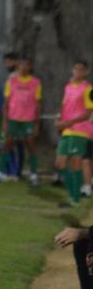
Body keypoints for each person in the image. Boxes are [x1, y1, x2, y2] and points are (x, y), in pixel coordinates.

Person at [54, 60, 93, 207]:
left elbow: (89, 112)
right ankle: (73, 195)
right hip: (67, 130)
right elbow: (64, 107)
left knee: (76, 164)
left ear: (86, 72)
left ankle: (74, 199)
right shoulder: (68, 87)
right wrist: (59, 119)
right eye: (75, 69)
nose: (77, 72)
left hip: (81, 130)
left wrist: (68, 123)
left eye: (81, 70)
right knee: (60, 163)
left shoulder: (89, 89)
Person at [2, 57, 43, 185]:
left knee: (30, 146)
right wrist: (5, 121)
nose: (23, 68)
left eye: (26, 65)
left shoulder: (36, 82)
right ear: (18, 67)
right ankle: (0, 173)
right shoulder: (11, 81)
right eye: (21, 65)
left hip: (28, 120)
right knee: (8, 145)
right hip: (13, 118)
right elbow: (6, 103)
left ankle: (33, 174)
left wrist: (37, 124)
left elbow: (38, 104)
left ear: (30, 67)